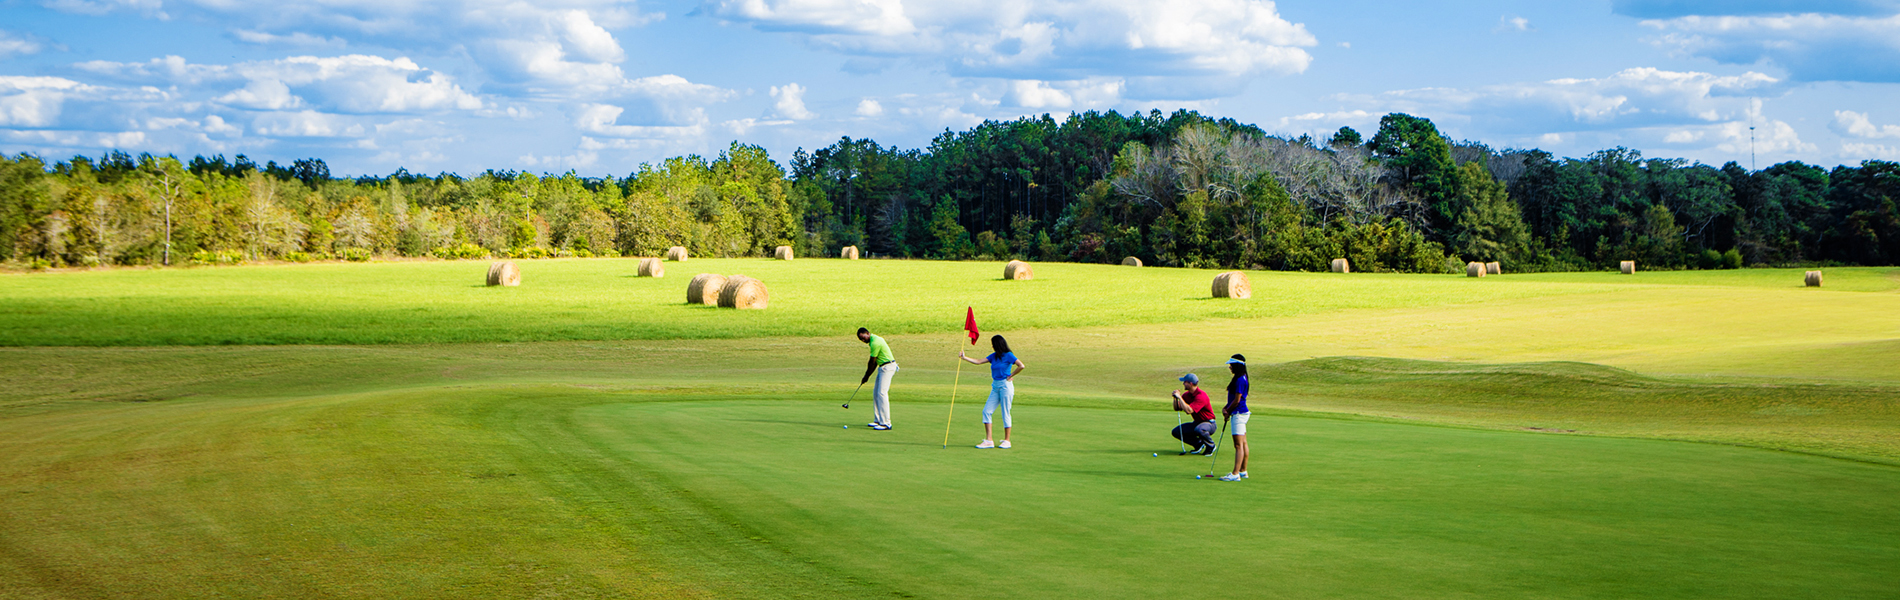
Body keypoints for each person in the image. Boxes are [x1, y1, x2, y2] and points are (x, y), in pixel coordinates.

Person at [959, 335, 1025, 449]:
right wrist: (964, 358)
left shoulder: (1008, 355)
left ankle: (1007, 441)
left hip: (1005, 385)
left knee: (1005, 412)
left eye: (993, 344)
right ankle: (989, 440)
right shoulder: (994, 356)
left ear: (998, 345)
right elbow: (979, 361)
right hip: (995, 386)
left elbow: (1021, 365)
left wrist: (1011, 375)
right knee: (986, 411)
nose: (992, 346)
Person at [1219, 354, 1251, 481]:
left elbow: (1237, 400)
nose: (1230, 367)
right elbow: (1234, 399)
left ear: (1237, 366)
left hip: (1238, 414)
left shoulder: (1239, 380)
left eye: (1231, 365)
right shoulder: (1241, 378)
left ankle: (1235, 473)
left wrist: (1228, 410)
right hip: (1241, 413)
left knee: (1238, 445)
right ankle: (1243, 471)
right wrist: (1226, 408)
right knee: (1243, 443)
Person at [858, 327, 897, 430]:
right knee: (876, 393)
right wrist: (867, 376)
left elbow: (872, 362)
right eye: (861, 339)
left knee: (882, 393)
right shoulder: (873, 340)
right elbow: (874, 363)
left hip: (887, 367)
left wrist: (866, 376)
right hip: (882, 367)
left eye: (863, 337)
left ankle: (886, 423)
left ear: (867, 333)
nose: (863, 340)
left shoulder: (875, 342)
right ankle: (878, 420)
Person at [1170, 373, 1217, 455]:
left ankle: (1211, 446)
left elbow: (1189, 411)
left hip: (1209, 423)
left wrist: (1180, 397)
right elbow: (1177, 408)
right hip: (1197, 423)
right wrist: (1175, 399)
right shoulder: (1187, 395)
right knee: (1177, 432)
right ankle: (1198, 444)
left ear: (1190, 384)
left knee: (1200, 429)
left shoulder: (1201, 396)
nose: (1183, 384)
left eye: (1185, 382)